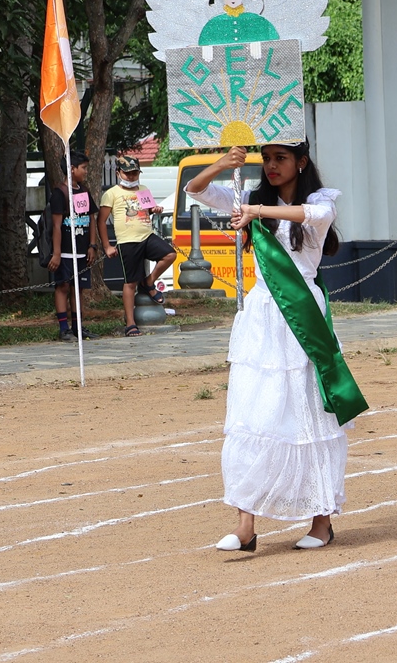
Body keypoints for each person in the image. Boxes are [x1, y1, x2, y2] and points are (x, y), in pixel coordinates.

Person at [186, 141, 363, 553]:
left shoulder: (319, 200)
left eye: (280, 158)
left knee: (310, 414)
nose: (271, 166)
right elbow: (195, 190)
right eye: (266, 159)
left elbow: (314, 216)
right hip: (263, 314)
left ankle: (321, 522)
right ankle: (245, 525)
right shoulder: (249, 197)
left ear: (301, 162)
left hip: (302, 315)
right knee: (253, 413)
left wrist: (255, 213)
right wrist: (222, 164)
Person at [99, 155, 175, 337]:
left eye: (135, 173)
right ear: (119, 173)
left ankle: (149, 281)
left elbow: (149, 209)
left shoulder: (143, 189)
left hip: (147, 235)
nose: (132, 177)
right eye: (128, 174)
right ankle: (130, 322)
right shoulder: (111, 194)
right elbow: (101, 221)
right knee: (130, 282)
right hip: (127, 241)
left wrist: (155, 209)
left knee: (170, 254)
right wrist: (107, 246)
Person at [48, 151, 99, 343]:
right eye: (83, 168)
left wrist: (92, 245)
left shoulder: (84, 192)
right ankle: (64, 328)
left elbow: (91, 218)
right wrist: (57, 253)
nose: (86, 171)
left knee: (79, 289)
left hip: (82, 249)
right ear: (71, 169)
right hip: (66, 251)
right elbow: (56, 225)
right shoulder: (59, 193)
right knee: (63, 287)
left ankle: (78, 327)